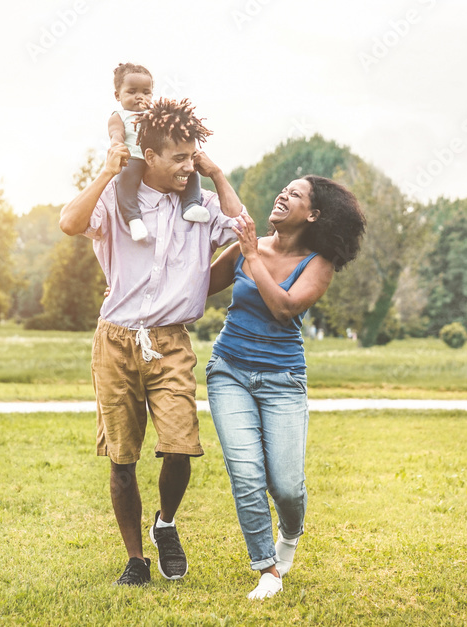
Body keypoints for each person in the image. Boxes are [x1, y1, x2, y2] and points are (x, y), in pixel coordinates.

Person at [59, 97, 243, 586]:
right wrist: (104, 173)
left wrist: (219, 176)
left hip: (171, 342)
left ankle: (166, 523)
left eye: (193, 155)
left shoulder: (200, 205)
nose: (188, 165)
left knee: (180, 447)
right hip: (115, 340)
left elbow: (243, 229)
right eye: (178, 157)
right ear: (150, 154)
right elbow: (69, 223)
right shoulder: (118, 197)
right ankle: (135, 560)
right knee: (122, 458)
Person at [205, 175, 366, 599]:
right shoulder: (246, 246)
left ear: (312, 215)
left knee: (287, 486)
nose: (282, 194)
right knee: (245, 472)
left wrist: (251, 254)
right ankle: (267, 570)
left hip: (283, 380)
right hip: (229, 370)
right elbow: (198, 287)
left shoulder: (317, 262)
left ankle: (290, 533)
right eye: (284, 189)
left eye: (295, 194)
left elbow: (285, 307)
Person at [107, 62, 207, 242]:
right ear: (117, 95)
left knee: (191, 171)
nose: (139, 97)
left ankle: (191, 204)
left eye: (146, 92)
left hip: (162, 160)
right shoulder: (118, 117)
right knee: (125, 181)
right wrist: (117, 145)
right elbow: (116, 134)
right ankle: (134, 219)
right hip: (135, 158)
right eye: (132, 92)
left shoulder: (153, 113)